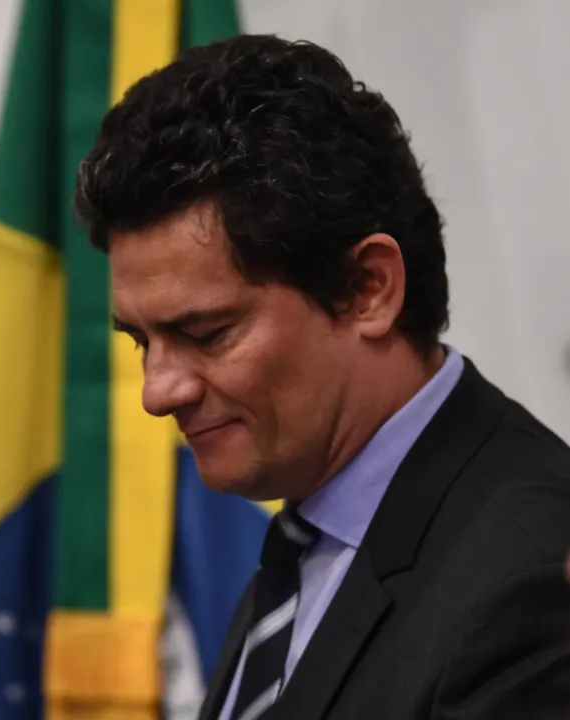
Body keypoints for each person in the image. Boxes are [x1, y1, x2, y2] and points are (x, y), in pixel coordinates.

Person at [74, 34, 570, 720]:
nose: (158, 392)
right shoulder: (309, 529)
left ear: (367, 288)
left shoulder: (534, 579)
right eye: (140, 341)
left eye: (206, 334)